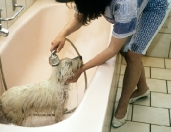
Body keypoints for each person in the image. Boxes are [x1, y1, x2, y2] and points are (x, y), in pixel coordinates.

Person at [50, 0, 171, 128]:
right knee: (127, 52)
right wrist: (62, 34)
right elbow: (80, 17)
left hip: (155, 5)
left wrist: (82, 69)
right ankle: (142, 89)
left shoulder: (125, 4)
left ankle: (123, 104)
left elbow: (112, 49)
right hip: (137, 3)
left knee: (133, 55)